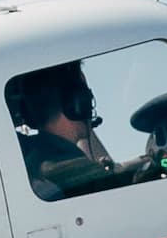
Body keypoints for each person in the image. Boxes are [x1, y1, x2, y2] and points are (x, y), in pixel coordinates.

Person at [7, 65, 121, 200]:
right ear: (76, 102)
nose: (88, 102)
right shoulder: (72, 169)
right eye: (85, 95)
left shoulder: (33, 160)